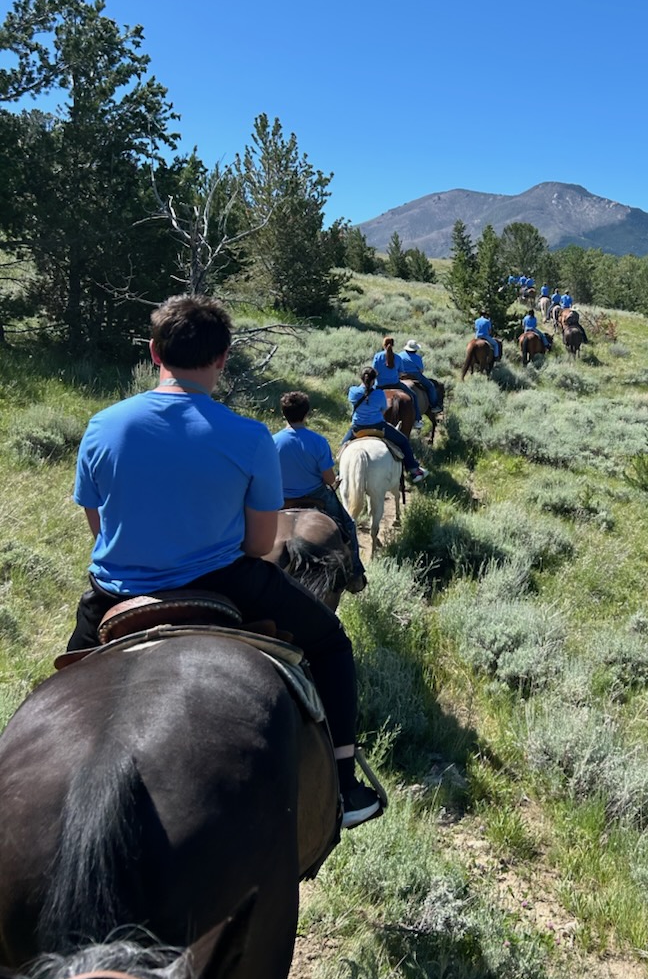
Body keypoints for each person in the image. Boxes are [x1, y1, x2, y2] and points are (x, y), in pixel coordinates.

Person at [67, 295, 382, 828]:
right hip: (222, 582)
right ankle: (344, 785)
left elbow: (99, 526)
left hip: (113, 592)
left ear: (154, 353)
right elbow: (260, 545)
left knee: (60, 690)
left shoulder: (103, 426)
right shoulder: (247, 435)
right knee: (330, 642)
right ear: (223, 359)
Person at [273, 391, 365, 589]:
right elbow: (329, 479)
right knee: (348, 525)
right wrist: (335, 481)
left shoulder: (272, 442)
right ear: (307, 414)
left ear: (284, 414)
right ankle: (355, 575)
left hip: (282, 498)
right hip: (316, 495)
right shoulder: (318, 441)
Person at [343, 367, 428, 484]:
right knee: (403, 441)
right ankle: (413, 469)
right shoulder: (379, 394)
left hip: (357, 427)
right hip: (378, 426)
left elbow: (354, 402)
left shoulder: (353, 391)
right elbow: (383, 410)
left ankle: (340, 475)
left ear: (361, 378)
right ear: (374, 379)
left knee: (343, 446)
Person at [371, 336, 422, 428]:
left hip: (380, 385)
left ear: (383, 345)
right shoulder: (398, 357)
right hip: (395, 384)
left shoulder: (377, 356)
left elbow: (374, 372)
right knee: (413, 395)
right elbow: (401, 373)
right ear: (393, 345)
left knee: (365, 396)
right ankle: (417, 419)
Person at [397, 339, 441, 411]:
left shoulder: (400, 355)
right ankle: (434, 406)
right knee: (430, 386)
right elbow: (421, 370)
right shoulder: (417, 357)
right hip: (415, 375)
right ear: (415, 350)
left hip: (401, 375)